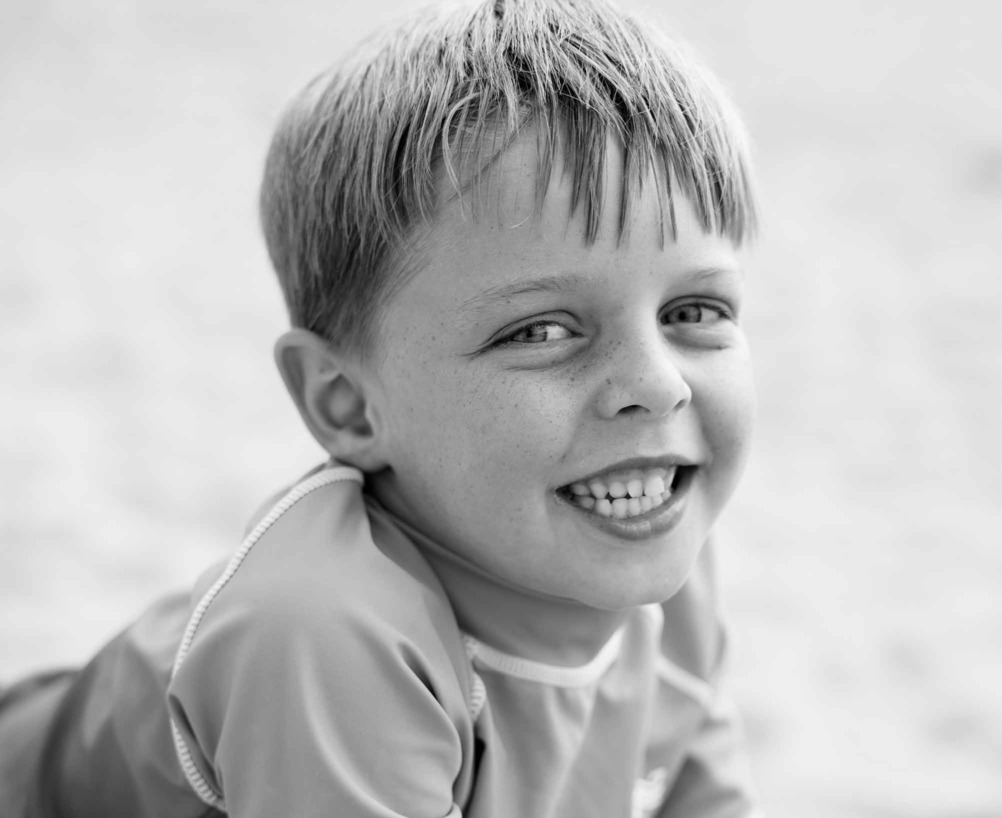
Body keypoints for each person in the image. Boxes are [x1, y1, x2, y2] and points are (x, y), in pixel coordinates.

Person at [0, 0, 762, 814]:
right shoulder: (324, 635)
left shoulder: (658, 548)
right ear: (347, 403)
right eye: (540, 329)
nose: (658, 384)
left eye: (694, 312)